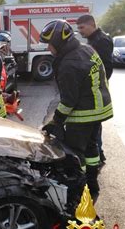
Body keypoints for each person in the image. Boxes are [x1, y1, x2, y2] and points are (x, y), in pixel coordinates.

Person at [40, 20, 113, 196]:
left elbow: (68, 101)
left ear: (59, 42)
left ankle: (78, 189)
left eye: (50, 44)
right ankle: (92, 183)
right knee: (91, 147)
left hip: (84, 113)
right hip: (99, 109)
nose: (48, 48)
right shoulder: (85, 49)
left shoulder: (68, 64)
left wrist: (56, 121)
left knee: (75, 152)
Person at [76, 14, 114, 163]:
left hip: (96, 89)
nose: (79, 31)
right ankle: (99, 153)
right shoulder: (94, 39)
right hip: (95, 87)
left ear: (91, 24)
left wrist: (94, 83)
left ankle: (97, 157)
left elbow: (106, 68)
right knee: (94, 126)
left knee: (94, 124)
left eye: (81, 27)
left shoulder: (101, 41)